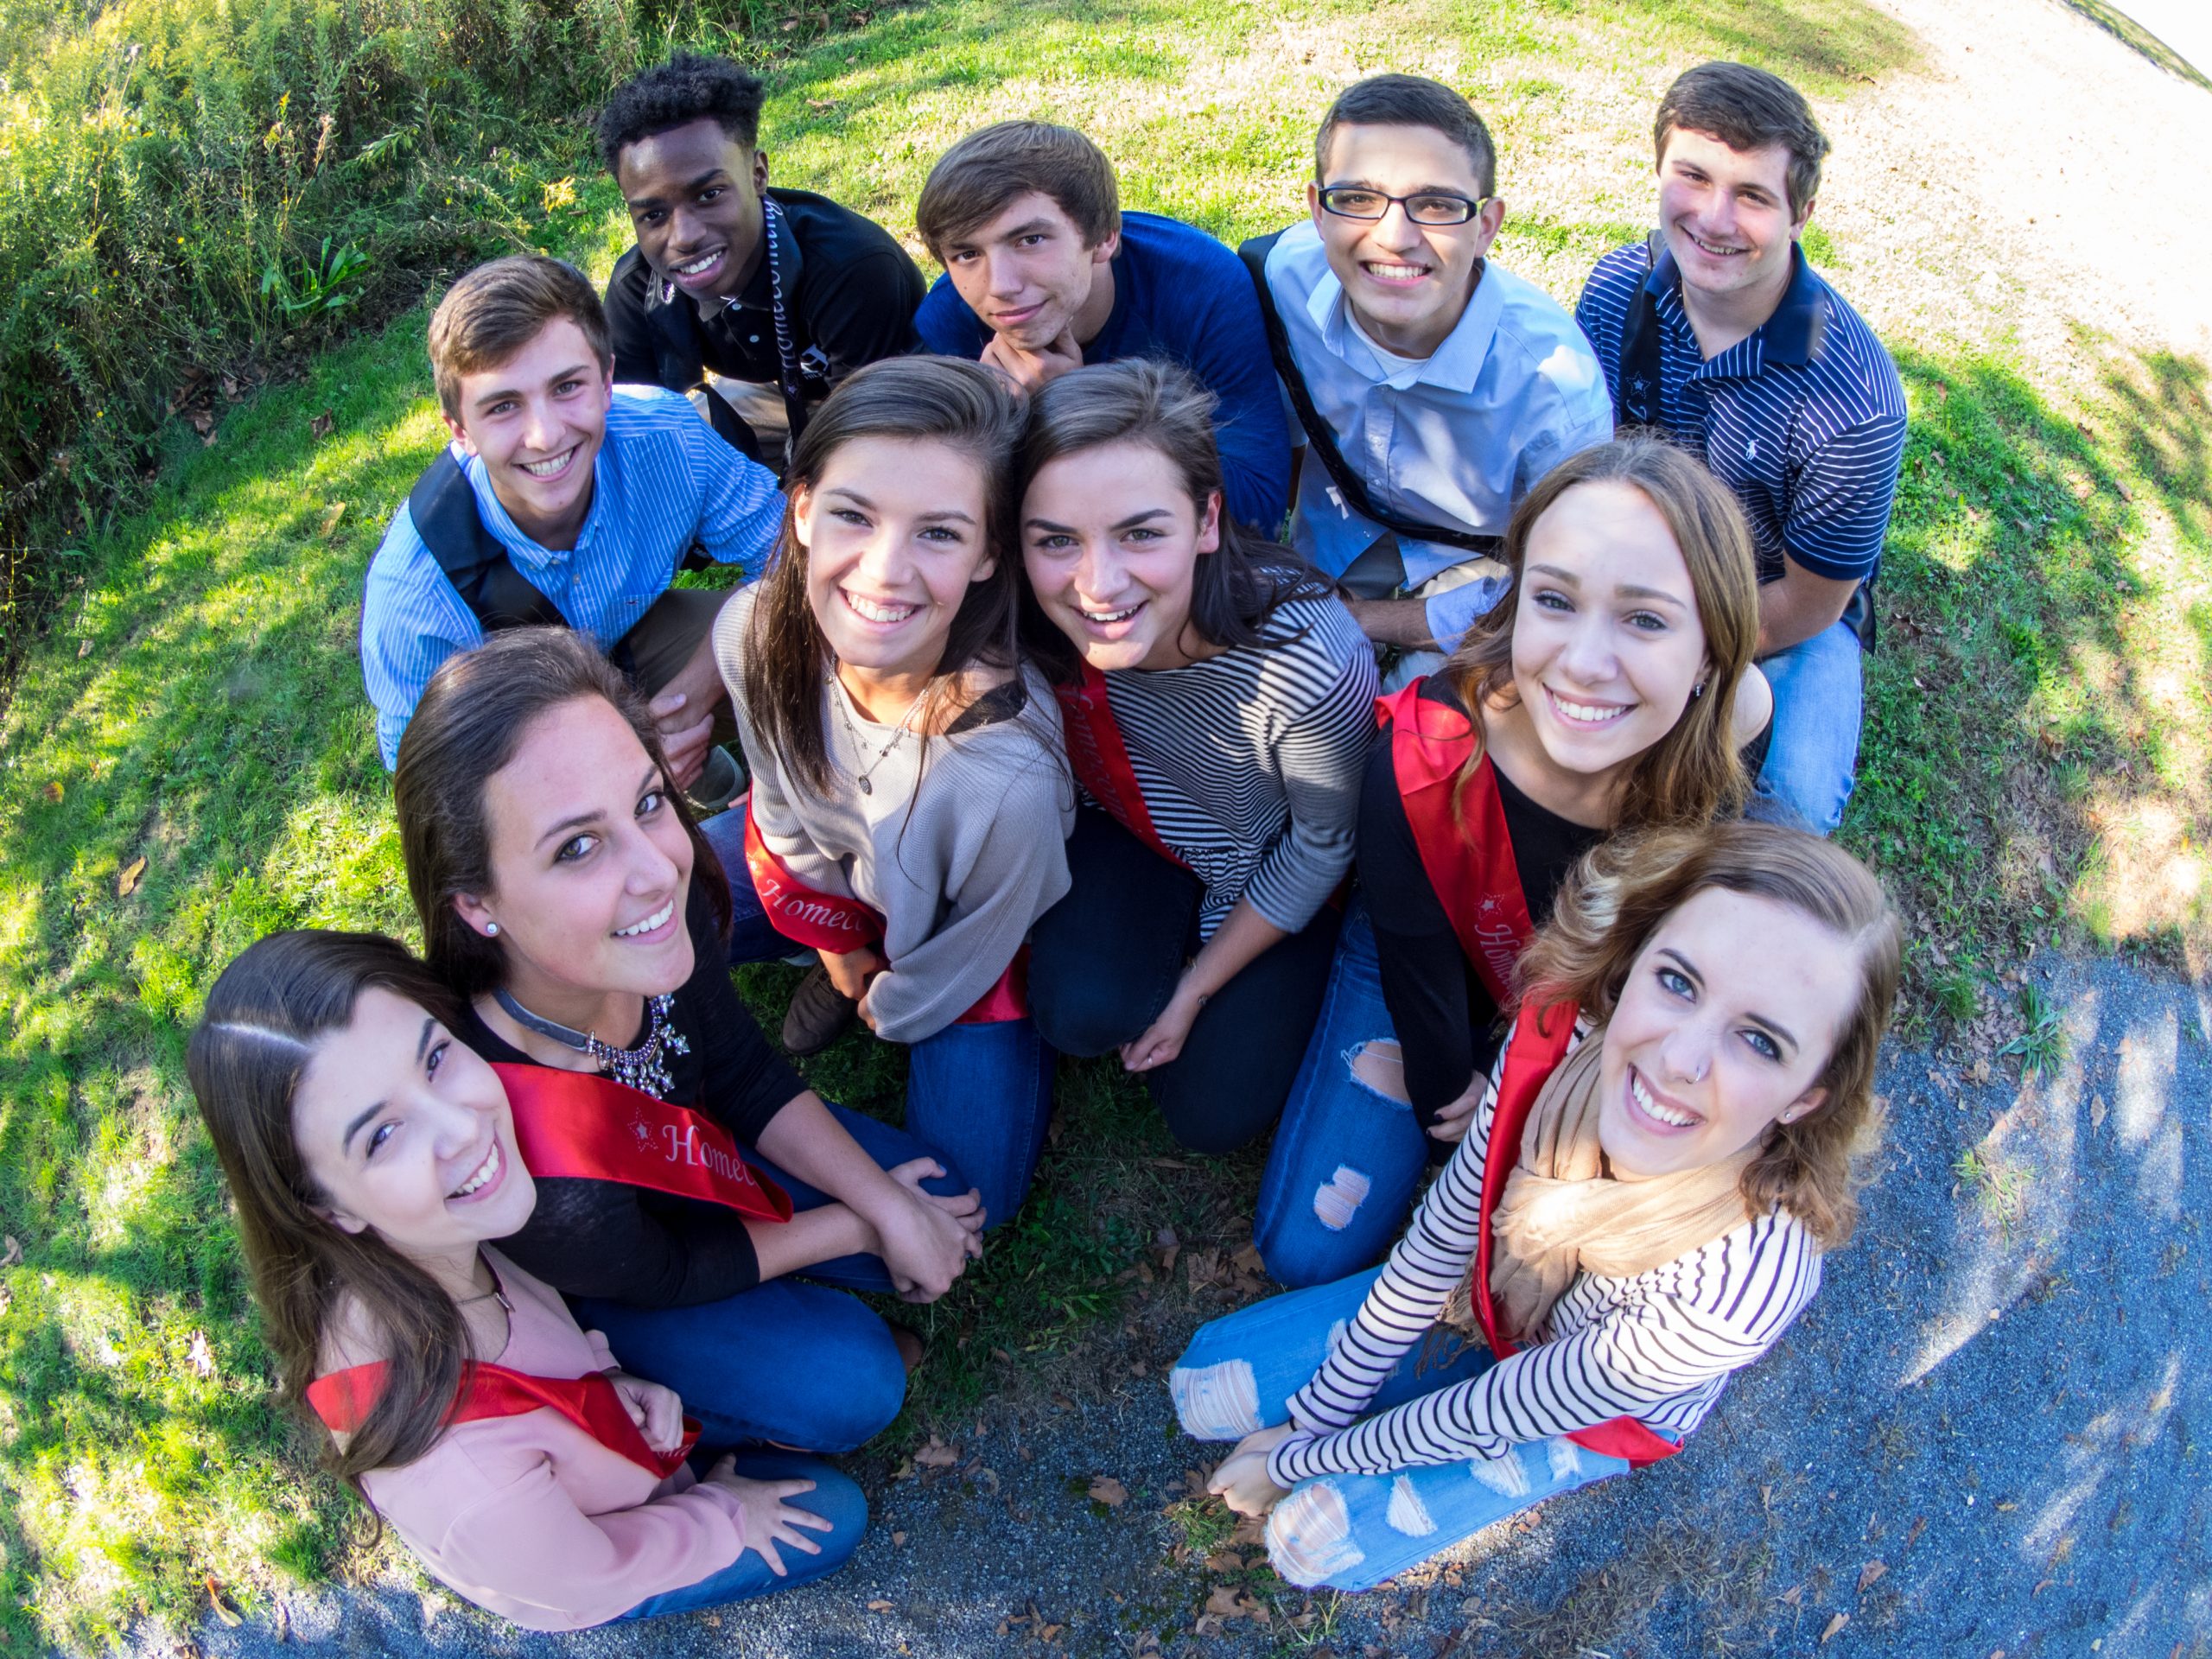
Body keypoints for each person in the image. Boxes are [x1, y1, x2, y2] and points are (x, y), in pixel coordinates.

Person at [1173, 820, 1900, 1592]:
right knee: (1204, 1387)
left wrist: (1295, 1458)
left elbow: (1505, 1405)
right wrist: (1320, 1410)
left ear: (1808, 1097)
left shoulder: (1742, 1286)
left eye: (1760, 1042)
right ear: (1634, 959)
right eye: (1678, 983)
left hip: (1579, 1406)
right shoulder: (1558, 1035)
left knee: (1309, 1543)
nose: (1678, 1062)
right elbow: (1444, 1237)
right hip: (1491, 1285)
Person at [393, 626, 987, 1453]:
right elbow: (662, 1271)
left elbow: (742, 1070)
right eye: (576, 848)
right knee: (852, 1385)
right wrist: (860, 1224)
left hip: (699, 1158)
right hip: (619, 1274)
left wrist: (887, 1202)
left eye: (644, 803)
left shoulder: (654, 910)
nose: (657, 866)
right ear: (476, 905)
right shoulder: (501, 1129)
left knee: (943, 1189)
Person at [187, 930, 867, 1630]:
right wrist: (724, 1516)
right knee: (835, 1512)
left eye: (436, 1058)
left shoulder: (433, 1225)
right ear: (326, 1208)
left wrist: (607, 1381)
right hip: (596, 1548)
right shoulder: (463, 1484)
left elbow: (541, 1345)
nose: (462, 1127)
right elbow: (589, 1577)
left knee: (850, 1390)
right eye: (383, 1136)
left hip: (607, 1442)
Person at [1253, 438, 1771, 1288]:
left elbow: (1682, 937)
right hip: (1435, 957)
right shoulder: (1423, 760)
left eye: (1644, 619)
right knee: (1305, 1247)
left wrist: (1561, 1078)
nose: (1584, 663)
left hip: (1588, 987)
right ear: (1513, 603)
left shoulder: (1731, 727)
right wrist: (1461, 1088)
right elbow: (1421, 981)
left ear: (1711, 652)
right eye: (1555, 601)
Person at [705, 355, 1073, 1224]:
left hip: (963, 946)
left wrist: (891, 1006)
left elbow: (978, 942)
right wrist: (834, 946)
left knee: (960, 1197)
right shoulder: (752, 634)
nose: (882, 570)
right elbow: (783, 802)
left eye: (938, 534)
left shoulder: (1004, 775)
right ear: (800, 511)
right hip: (832, 885)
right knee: (628, 903)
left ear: (989, 555)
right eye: (852, 516)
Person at [1014, 359, 1376, 1154]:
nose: (1097, 585)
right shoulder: (1030, 619)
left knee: (1209, 1114)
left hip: (1272, 866)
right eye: (1056, 540)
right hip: (1131, 832)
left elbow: (1323, 845)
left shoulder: (1308, 661)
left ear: (1208, 520)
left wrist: (1193, 991)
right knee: (1077, 1017)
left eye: (1142, 533)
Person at [1574, 61, 1907, 835]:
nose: (1715, 220)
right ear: (1658, 172)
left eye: (1753, 195)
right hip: (1634, 563)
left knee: (1783, 817)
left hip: (1777, 611)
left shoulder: (1856, 403)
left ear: (1802, 213)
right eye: (1693, 177)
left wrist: (1669, 646)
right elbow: (1588, 473)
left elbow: (1810, 601)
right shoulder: (1619, 288)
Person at [360, 255, 784, 787]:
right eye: (502, 406)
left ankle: (722, 785)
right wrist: (594, 778)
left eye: (567, 387)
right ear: (459, 429)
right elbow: (429, 779)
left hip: (635, 644)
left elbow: (787, 555)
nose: (546, 436)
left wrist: (695, 696)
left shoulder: (669, 437)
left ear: (607, 381)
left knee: (802, 634)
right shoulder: (415, 594)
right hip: (512, 733)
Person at [1243, 74, 1611, 684]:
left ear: (1487, 225)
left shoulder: (1555, 389)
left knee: (1433, 721)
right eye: (1357, 198)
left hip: (1482, 569)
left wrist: (1368, 621)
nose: (1394, 236)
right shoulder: (1280, 278)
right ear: (1315, 208)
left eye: (1437, 204)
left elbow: (1570, 591)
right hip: (1332, 539)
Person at [912, 120, 1292, 535]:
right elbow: (932, 514)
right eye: (967, 253)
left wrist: (1082, 406)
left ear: (1105, 237)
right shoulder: (951, 320)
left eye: (1030, 240)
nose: (1000, 286)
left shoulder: (1202, 290)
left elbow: (1260, 511)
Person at [599, 54, 926, 468]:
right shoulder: (639, 290)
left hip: (890, 401)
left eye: (709, 195)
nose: (684, 237)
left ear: (757, 174)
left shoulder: (851, 268)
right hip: (777, 391)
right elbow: (630, 438)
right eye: (653, 215)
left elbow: (879, 446)